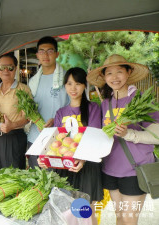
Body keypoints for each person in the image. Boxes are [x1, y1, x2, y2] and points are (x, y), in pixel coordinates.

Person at [87, 54, 159, 225]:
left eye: (119, 71)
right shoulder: (106, 102)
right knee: (119, 216)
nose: (115, 77)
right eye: (109, 73)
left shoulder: (142, 99)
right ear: (104, 77)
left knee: (129, 219)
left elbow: (157, 134)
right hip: (110, 169)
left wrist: (129, 134)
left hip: (134, 170)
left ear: (129, 72)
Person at [38, 67, 102, 225]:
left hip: (87, 167)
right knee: (67, 210)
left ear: (84, 86)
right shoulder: (61, 112)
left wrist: (82, 159)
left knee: (86, 210)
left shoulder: (93, 108)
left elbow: (93, 139)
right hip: (66, 167)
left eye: (78, 83)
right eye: (69, 84)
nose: (73, 88)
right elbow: (57, 143)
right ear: (64, 86)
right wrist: (45, 159)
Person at [28, 36, 70, 168]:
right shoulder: (32, 81)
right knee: (36, 181)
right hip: (35, 138)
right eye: (42, 51)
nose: (45, 55)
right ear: (37, 55)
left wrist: (57, 119)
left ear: (57, 54)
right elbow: (29, 108)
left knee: (57, 183)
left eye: (50, 51)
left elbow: (75, 106)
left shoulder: (67, 78)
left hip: (59, 139)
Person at [0, 53, 31, 169]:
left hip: (13, 137)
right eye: (2, 67)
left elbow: (28, 117)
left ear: (15, 68)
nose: (6, 70)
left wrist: (12, 125)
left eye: (10, 67)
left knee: (13, 176)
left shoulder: (23, 89)